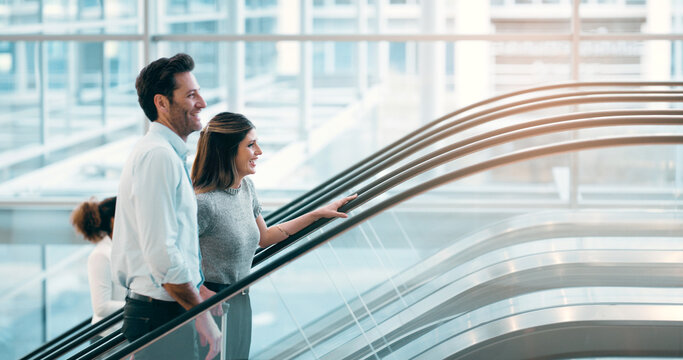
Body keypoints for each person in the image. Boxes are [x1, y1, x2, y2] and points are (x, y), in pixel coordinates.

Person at [191, 111, 357, 359]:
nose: (259, 151)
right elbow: (173, 256)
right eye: (250, 144)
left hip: (240, 300)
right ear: (227, 151)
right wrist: (202, 292)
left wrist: (316, 215)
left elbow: (265, 236)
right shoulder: (203, 203)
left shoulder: (246, 188)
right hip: (212, 305)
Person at [110, 53, 221, 360]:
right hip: (159, 314)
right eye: (191, 95)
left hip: (166, 310)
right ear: (161, 103)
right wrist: (201, 314)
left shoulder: (165, 155)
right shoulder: (157, 156)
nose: (202, 102)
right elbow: (162, 254)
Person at [70, 196, 125, 341]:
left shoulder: (118, 250)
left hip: (118, 334)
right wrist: (137, 304)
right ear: (113, 221)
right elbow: (101, 306)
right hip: (105, 337)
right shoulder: (100, 255)